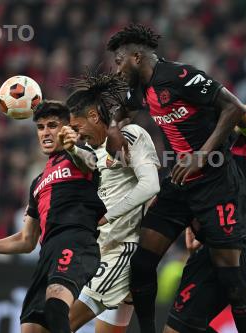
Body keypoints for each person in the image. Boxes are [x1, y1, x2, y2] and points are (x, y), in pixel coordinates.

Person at [107, 23, 246, 333]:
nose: (117, 69)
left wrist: (201, 154)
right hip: (178, 182)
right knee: (143, 262)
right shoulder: (140, 89)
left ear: (137, 56)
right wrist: (113, 125)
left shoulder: (180, 76)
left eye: (119, 61)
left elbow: (233, 107)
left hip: (216, 183)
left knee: (231, 277)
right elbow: (123, 111)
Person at [0, 101, 106, 333]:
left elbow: (92, 163)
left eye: (53, 125)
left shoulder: (82, 156)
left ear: (67, 128)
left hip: (76, 241)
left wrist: (73, 147)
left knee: (55, 304)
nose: (46, 133)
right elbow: (26, 240)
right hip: (46, 254)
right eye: (41, 127)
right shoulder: (37, 183)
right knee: (31, 327)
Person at [167, 99, 246, 332]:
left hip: (230, 245)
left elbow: (234, 109)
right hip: (227, 245)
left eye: (244, 114)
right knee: (189, 325)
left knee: (177, 328)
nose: (233, 120)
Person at [64, 71, 160, 333]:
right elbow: (94, 164)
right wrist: (72, 148)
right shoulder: (96, 149)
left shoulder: (131, 134)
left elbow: (151, 184)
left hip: (122, 252)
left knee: (59, 324)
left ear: (94, 116)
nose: (78, 134)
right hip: (102, 250)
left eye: (77, 127)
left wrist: (109, 215)